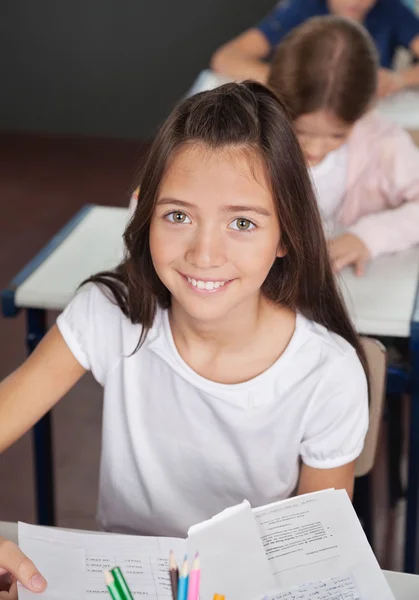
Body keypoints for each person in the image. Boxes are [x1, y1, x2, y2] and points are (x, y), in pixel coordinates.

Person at [0, 82, 368, 539]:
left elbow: (317, 549)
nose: (205, 253)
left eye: (242, 223)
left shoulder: (327, 372)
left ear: (286, 237)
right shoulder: (109, 314)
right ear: (146, 214)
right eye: (178, 216)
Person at [267, 15, 419, 276]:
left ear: (362, 112)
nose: (313, 149)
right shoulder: (258, 132)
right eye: (300, 131)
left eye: (336, 135)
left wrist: (369, 237)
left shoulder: (384, 144)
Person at [211, 0, 419, 98]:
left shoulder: (391, 11)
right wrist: (292, 81)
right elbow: (226, 58)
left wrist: (398, 79)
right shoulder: (301, 9)